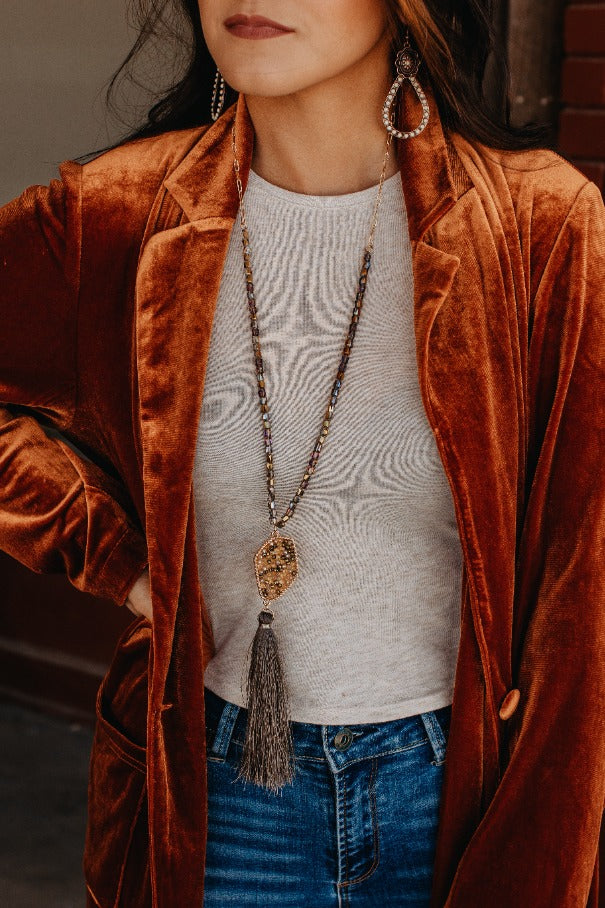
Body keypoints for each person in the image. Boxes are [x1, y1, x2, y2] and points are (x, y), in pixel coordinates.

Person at [1, 1, 604, 906]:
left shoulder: (538, 224)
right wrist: (119, 560)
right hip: (216, 792)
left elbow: (579, 588)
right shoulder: (117, 213)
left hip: (456, 792)